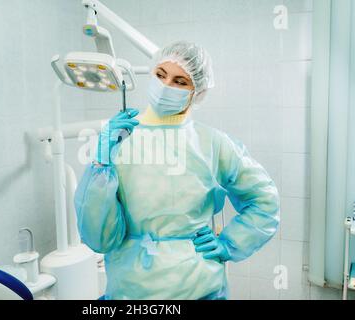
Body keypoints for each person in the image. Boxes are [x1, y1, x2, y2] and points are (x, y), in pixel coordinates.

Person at [74, 41, 280, 300]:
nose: (165, 86)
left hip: (197, 286)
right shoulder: (119, 140)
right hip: (131, 289)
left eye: (180, 81)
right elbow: (98, 238)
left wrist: (228, 244)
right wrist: (101, 164)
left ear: (197, 91)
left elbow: (264, 201)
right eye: (160, 75)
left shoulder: (213, 143)